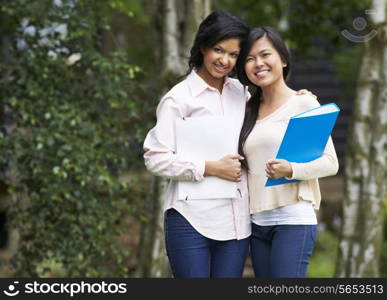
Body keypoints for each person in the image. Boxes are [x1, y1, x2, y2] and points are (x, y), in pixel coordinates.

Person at [143, 11, 314, 278]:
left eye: (234, 55)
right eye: (218, 50)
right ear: (203, 47)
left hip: (237, 225)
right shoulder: (178, 99)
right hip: (191, 219)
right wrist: (208, 167)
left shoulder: (242, 93)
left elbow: (270, 111)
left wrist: (297, 99)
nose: (224, 60)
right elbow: (154, 157)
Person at [236, 26, 339, 278]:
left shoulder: (303, 103)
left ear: (283, 59)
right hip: (257, 223)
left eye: (264, 55)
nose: (258, 63)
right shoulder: (245, 108)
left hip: (293, 219)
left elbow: (330, 163)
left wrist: (291, 169)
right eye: (249, 59)